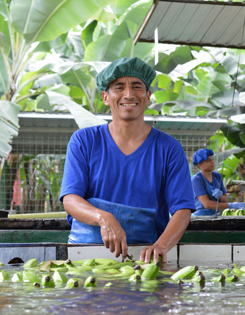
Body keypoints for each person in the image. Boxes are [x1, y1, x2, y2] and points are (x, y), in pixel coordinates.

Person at [60, 57, 195, 263]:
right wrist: (104, 218)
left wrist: (161, 246)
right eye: (119, 87)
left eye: (137, 87)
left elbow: (183, 210)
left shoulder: (169, 148)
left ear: (148, 96)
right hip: (84, 255)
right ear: (106, 97)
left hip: (144, 257)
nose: (129, 94)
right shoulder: (84, 141)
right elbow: (70, 199)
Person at [191, 148, 245, 216]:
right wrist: (230, 206)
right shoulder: (197, 180)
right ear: (199, 165)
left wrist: (220, 197)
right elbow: (207, 204)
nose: (212, 162)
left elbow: (225, 199)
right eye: (208, 161)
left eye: (212, 159)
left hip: (216, 215)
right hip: (200, 217)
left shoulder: (217, 176)